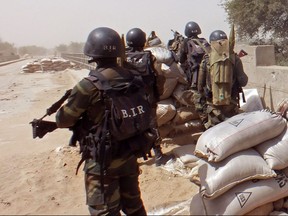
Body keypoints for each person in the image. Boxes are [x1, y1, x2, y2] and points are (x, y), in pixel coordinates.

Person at [56, 27, 147, 216]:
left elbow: (63, 120)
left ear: (92, 53)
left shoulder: (89, 86)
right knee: (134, 206)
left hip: (102, 162)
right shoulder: (134, 79)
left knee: (104, 211)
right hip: (129, 153)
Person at [125, 27, 172, 167]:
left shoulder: (121, 58)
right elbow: (159, 77)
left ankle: (131, 159)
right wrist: (158, 93)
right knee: (152, 127)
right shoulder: (149, 57)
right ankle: (158, 156)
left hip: (127, 100)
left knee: (129, 127)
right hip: (147, 99)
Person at [196, 30, 248, 129]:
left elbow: (200, 86)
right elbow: (243, 82)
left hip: (213, 108)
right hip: (231, 105)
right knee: (233, 132)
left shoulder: (206, 60)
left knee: (214, 134)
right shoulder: (235, 59)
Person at [178, 21, 210, 89]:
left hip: (193, 73)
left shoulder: (186, 42)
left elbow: (181, 59)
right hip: (207, 70)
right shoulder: (204, 41)